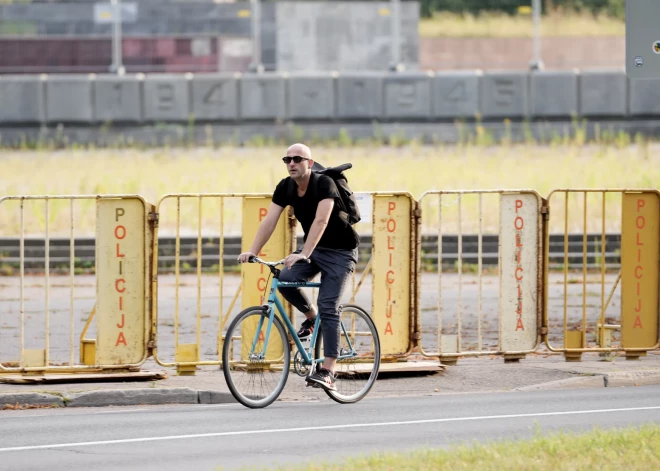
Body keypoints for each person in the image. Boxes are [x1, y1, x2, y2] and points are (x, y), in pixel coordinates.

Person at [237, 143, 360, 392]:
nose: (291, 163)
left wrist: (304, 252)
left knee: (329, 305)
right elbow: (270, 220)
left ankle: (328, 370)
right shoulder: (285, 187)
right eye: (287, 159)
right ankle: (311, 318)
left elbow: (321, 220)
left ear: (309, 163)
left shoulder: (325, 184)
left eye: (297, 159)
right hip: (314, 251)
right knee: (285, 278)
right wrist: (253, 250)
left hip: (340, 252)